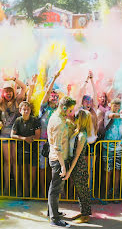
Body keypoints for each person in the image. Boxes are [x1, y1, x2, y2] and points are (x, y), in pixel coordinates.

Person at [0, 74, 26, 194]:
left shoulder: (17, 102)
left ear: (13, 92)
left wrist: (13, 79)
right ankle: (7, 187)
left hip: (15, 136)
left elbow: (24, 88)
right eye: (6, 91)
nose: (8, 93)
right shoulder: (1, 104)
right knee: (7, 162)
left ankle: (17, 187)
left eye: (10, 91)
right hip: (4, 137)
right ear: (3, 93)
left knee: (15, 161)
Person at [47, 96, 76, 228]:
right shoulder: (58, 122)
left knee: (54, 187)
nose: (71, 112)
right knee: (55, 188)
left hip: (56, 158)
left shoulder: (57, 117)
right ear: (64, 108)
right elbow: (57, 147)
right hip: (58, 160)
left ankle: (51, 211)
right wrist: (63, 167)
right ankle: (54, 219)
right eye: (70, 110)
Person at [64, 109, 92, 224]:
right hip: (76, 165)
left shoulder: (82, 135)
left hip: (79, 166)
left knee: (83, 191)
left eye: (76, 117)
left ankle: (86, 215)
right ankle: (83, 212)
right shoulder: (77, 131)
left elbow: (77, 156)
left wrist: (69, 171)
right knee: (80, 192)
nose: (74, 118)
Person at [11, 101, 41, 197]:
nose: (26, 111)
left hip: (33, 150)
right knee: (23, 172)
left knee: (32, 173)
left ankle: (31, 191)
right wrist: (24, 138)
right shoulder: (18, 120)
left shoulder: (35, 120)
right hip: (21, 150)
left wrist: (31, 138)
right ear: (20, 110)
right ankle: (25, 192)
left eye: (28, 109)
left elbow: (37, 136)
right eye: (24, 109)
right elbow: (12, 135)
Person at [38, 72, 61, 197]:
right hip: (42, 141)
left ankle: (52, 191)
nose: (53, 97)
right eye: (52, 95)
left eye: (56, 95)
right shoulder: (44, 108)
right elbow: (46, 93)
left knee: (53, 168)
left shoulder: (59, 110)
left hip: (55, 143)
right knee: (42, 166)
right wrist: (54, 78)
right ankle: (42, 190)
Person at [102, 98, 122, 199]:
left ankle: (115, 193)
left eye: (118, 105)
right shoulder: (108, 113)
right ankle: (107, 193)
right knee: (108, 170)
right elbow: (112, 116)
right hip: (107, 147)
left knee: (117, 170)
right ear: (110, 105)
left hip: (118, 147)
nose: (116, 107)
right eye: (114, 105)